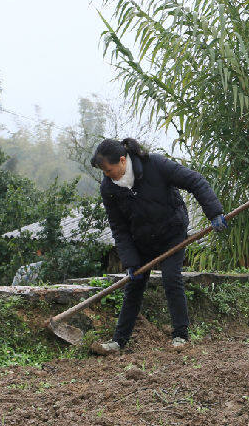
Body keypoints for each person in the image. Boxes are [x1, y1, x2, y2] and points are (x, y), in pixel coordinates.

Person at [89, 138, 228, 355]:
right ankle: (119, 341)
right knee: (133, 286)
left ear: (123, 160)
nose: (107, 175)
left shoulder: (155, 165)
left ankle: (180, 336)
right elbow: (119, 228)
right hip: (141, 239)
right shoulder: (109, 188)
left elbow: (195, 181)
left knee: (171, 277)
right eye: (104, 172)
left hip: (172, 231)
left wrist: (214, 212)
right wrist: (130, 261)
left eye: (108, 170)